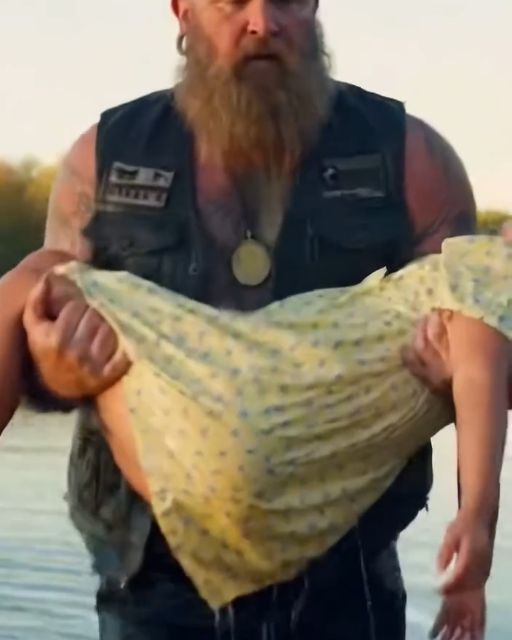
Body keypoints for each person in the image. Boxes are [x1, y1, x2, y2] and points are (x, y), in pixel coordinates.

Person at [21, 0, 478, 638]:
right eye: (232, 1)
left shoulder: (412, 160)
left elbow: (489, 343)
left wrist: (456, 380)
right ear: (182, 10)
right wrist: (53, 374)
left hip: (346, 582)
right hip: (151, 587)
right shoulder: (102, 160)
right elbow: (40, 329)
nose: (263, 21)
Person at [4, 234, 507, 640]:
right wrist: (470, 574)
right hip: (284, 499)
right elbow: (479, 379)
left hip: (239, 406)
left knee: (40, 278)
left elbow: (477, 376)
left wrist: (477, 521)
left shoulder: (490, 269)